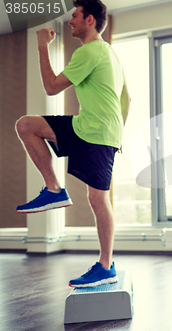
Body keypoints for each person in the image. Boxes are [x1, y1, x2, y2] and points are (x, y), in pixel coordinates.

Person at [15, 0, 130, 287]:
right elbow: (127, 99)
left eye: (75, 16)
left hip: (97, 133)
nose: (70, 21)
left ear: (90, 20)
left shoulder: (89, 51)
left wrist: (42, 46)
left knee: (97, 199)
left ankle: (106, 266)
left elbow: (51, 86)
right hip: (87, 127)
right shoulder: (110, 54)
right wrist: (119, 133)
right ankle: (54, 189)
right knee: (27, 125)